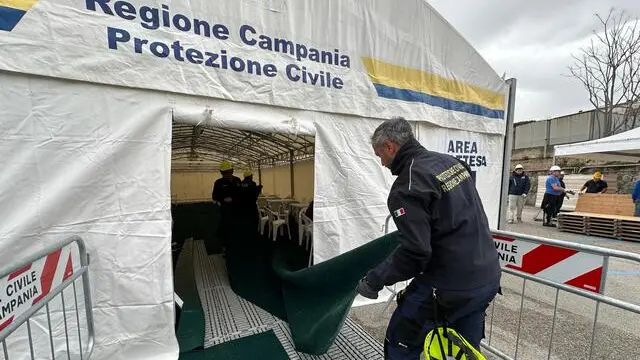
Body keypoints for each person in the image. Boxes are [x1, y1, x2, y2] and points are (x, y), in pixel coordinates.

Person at [356, 117, 501, 359]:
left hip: (448, 285)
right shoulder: (452, 163)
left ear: (390, 147)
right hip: (487, 278)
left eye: (379, 154)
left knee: (401, 339)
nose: (381, 163)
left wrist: (374, 280)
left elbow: (416, 253)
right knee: (464, 350)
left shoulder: (407, 186)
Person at [212, 160, 242, 243]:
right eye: (225, 173)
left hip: (237, 207)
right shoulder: (218, 182)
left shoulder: (237, 180)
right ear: (221, 173)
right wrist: (223, 199)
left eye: (228, 172)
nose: (227, 174)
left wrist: (235, 199)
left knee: (237, 224)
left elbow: (241, 193)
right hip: (226, 209)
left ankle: (236, 240)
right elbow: (214, 196)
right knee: (227, 225)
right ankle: (226, 243)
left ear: (232, 171)